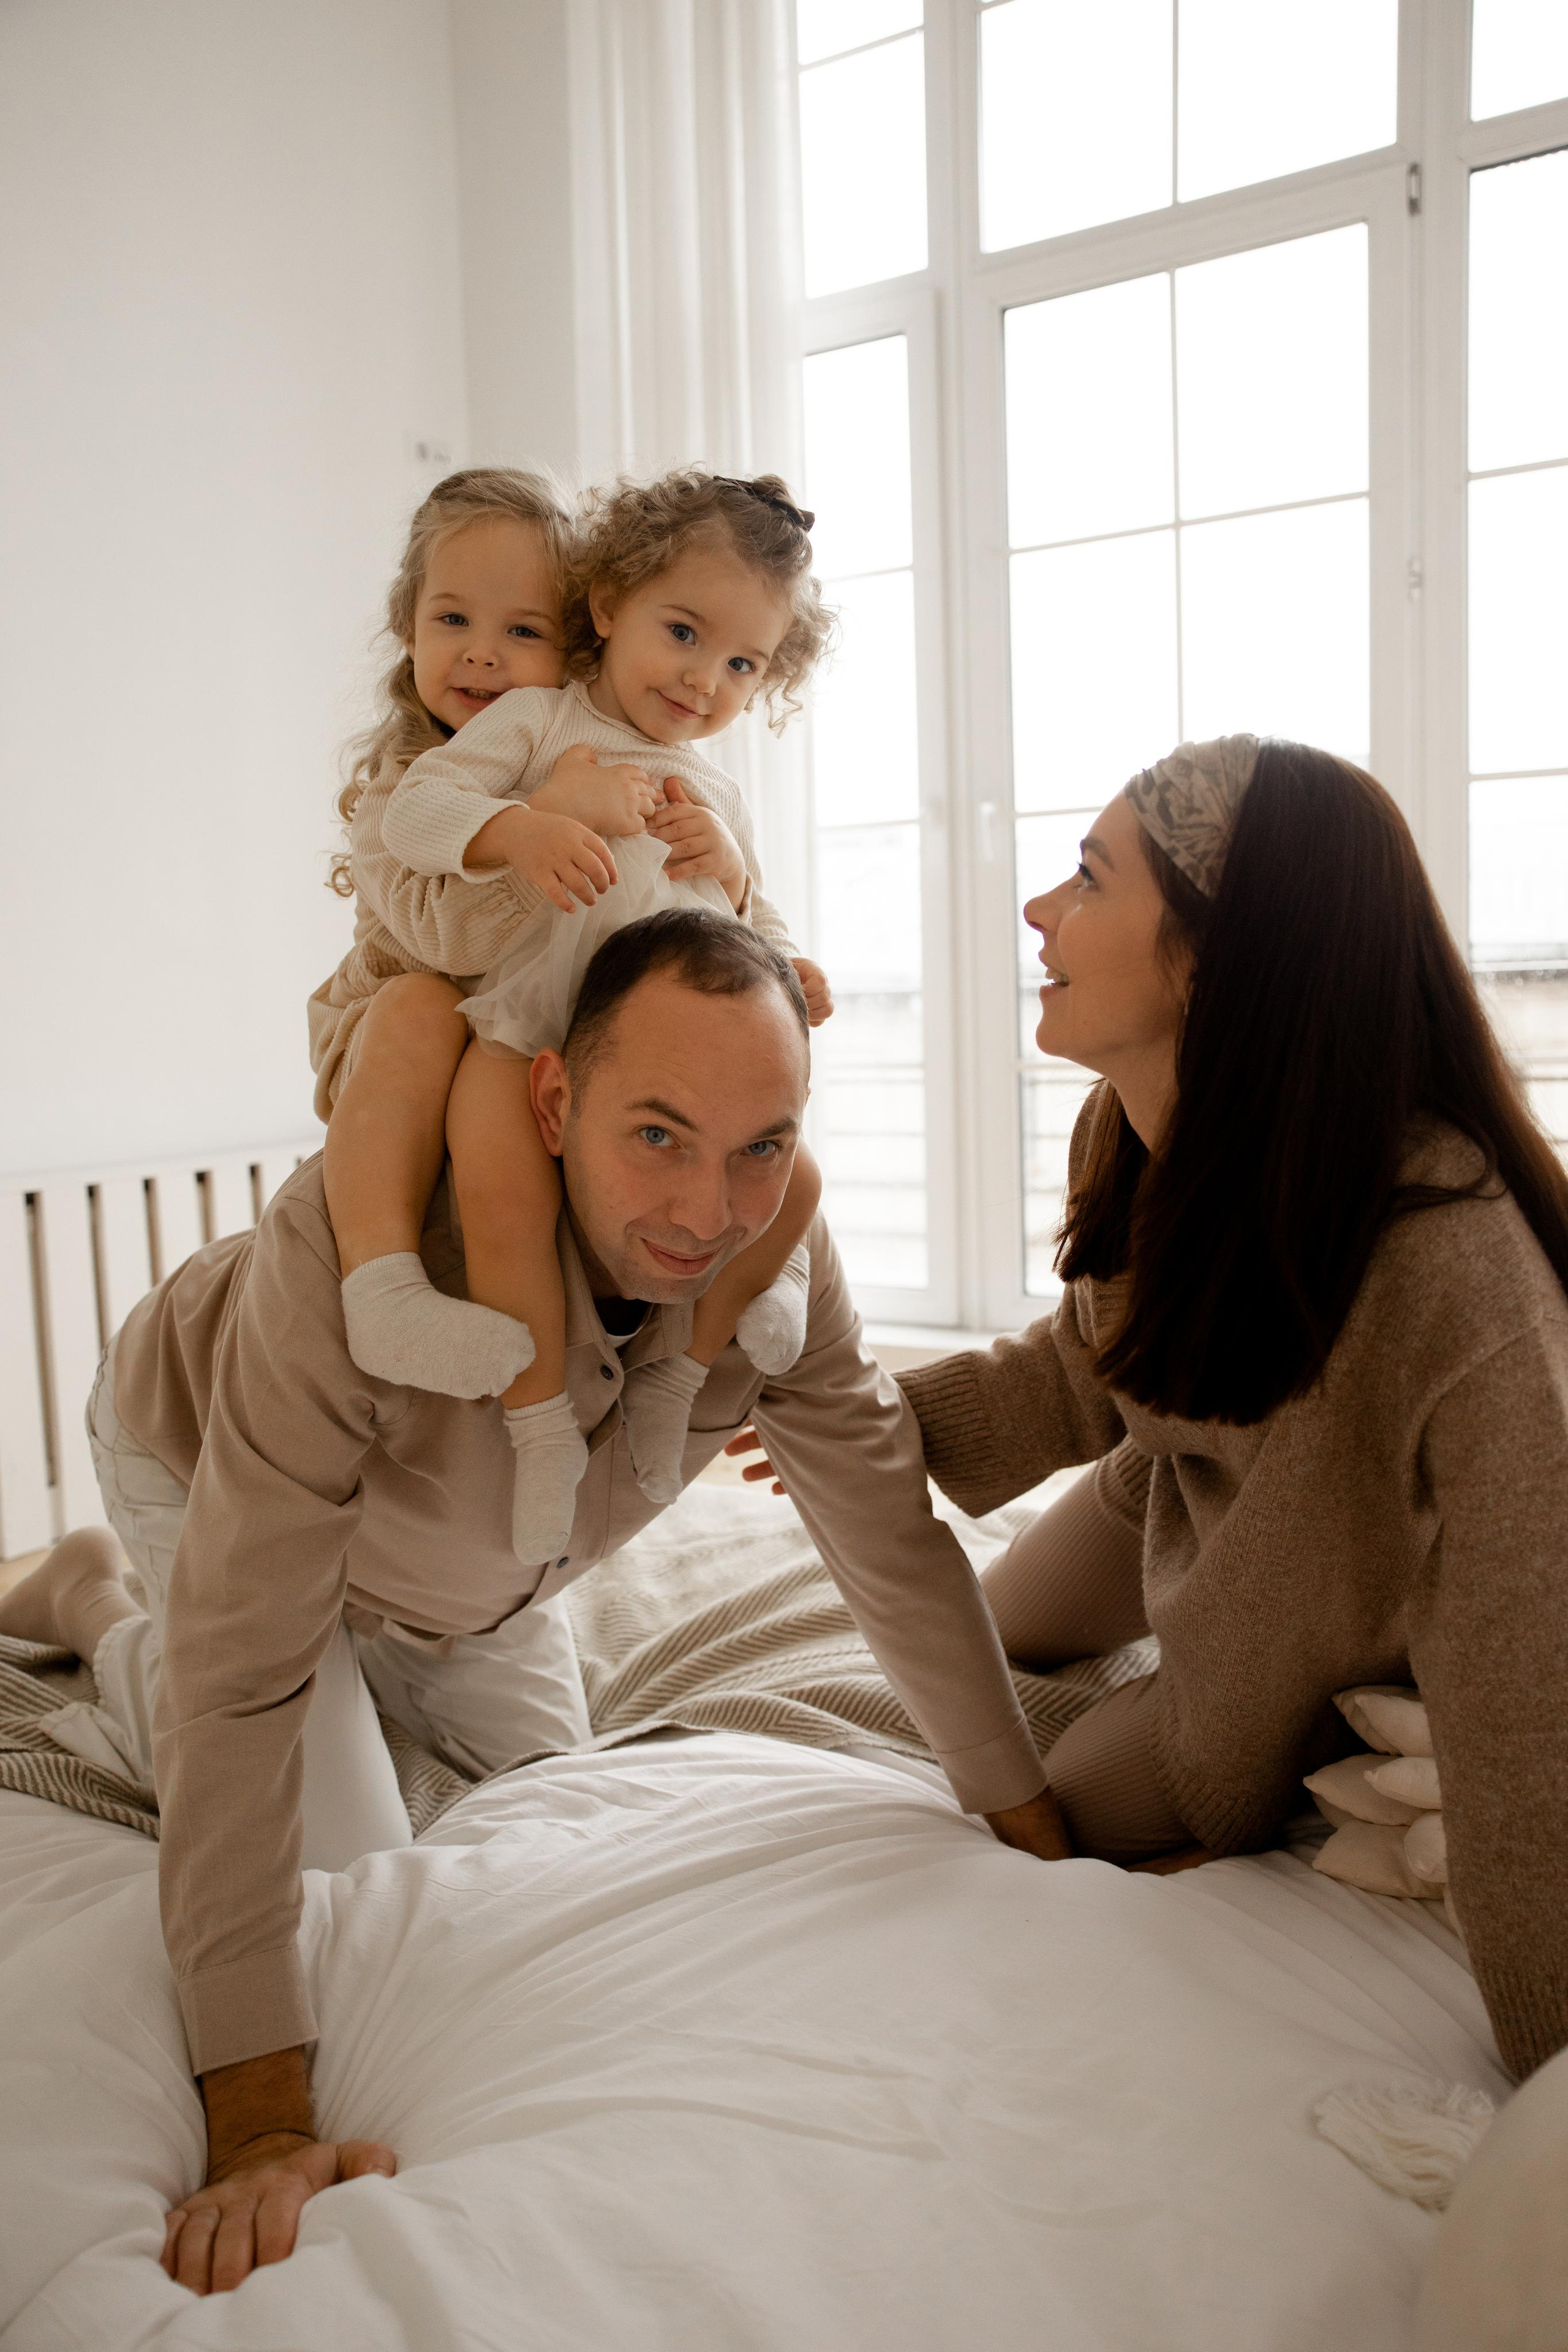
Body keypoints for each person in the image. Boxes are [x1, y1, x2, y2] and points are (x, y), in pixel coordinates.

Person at [0, 910, 1060, 2297]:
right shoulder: (354, 1253)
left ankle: (369, 1647)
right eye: (657, 1136)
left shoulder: (775, 1273)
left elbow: (889, 1544)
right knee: (342, 1871)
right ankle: (96, 1601)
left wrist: (1029, 1822)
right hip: (213, 1474)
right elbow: (244, 1671)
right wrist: (257, 2114)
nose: (705, 1213)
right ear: (555, 1102)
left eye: (761, 1147)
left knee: (550, 1806)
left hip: (485, 1564)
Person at [889, 734, 1568, 2087]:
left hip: (1334, 1589)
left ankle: (1335, 1720)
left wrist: (1544, 2063)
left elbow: (1524, 1660)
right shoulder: (1128, 1128)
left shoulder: (1445, 1261)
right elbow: (1104, 1356)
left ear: (1208, 953)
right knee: (997, 1631)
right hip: (1189, 1488)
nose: (1036, 911)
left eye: (1085, 878)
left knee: (1066, 1808)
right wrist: (892, 1428)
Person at [312, 466, 835, 1567]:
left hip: (643, 1061)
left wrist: (763, 919)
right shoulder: (539, 723)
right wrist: (524, 830)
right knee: (498, 1166)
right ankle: (539, 1422)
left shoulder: (717, 789)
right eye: (683, 634)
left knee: (795, 1165)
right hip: (525, 1028)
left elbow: (748, 924)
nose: (704, 680)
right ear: (609, 612)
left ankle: (683, 1370)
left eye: (741, 664)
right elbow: (420, 810)